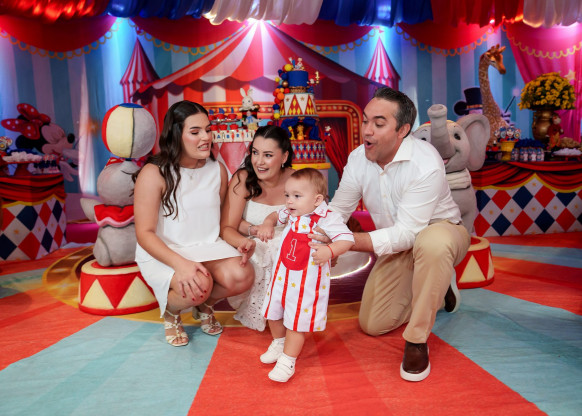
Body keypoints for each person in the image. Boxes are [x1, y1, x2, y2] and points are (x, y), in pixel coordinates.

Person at [311, 87, 471, 382]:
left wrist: (344, 243)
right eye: (366, 120)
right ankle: (438, 287)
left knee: (432, 243)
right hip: (400, 243)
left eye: (379, 123)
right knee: (373, 324)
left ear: (403, 130)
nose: (367, 131)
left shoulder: (425, 161)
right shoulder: (358, 158)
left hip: (442, 231)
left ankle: (417, 341)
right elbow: (339, 210)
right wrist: (319, 236)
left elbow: (409, 232)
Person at [133, 100, 254, 347]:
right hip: (166, 250)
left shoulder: (217, 169)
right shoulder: (153, 173)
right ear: (176, 135)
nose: (206, 137)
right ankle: (171, 312)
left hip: (207, 245)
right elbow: (144, 234)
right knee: (199, 284)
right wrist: (181, 264)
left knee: (243, 275)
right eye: (195, 132)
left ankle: (204, 305)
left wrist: (241, 239)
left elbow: (221, 221)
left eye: (208, 130)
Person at [257, 168, 354, 382]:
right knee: (273, 313)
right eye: (287, 195)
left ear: (317, 200)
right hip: (282, 277)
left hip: (305, 284)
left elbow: (347, 239)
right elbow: (274, 215)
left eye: (297, 196)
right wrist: (267, 223)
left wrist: (329, 251)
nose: (289, 201)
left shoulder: (326, 218)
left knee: (296, 322)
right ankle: (279, 343)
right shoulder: (291, 212)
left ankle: (288, 360)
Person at [221, 125, 295, 331]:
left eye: (268, 155)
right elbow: (227, 228)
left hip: (288, 252)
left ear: (284, 156)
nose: (259, 161)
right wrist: (248, 238)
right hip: (253, 249)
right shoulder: (244, 179)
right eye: (255, 152)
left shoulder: (297, 180)